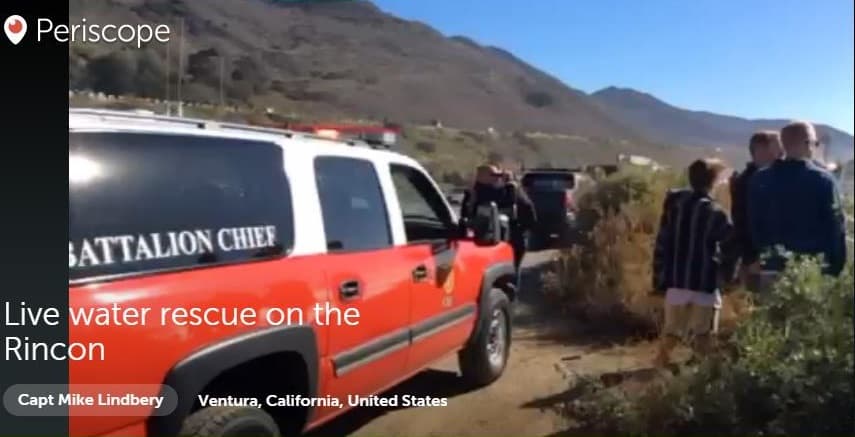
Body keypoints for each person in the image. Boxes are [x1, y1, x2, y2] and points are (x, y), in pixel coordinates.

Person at [652, 158, 737, 367]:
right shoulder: (716, 213)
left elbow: (662, 243)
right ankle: (700, 372)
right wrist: (727, 276)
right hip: (704, 280)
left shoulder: (674, 207)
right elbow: (730, 246)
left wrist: (658, 279)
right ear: (714, 181)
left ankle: (660, 363)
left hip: (677, 279)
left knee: (672, 330)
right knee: (703, 333)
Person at [748, 121, 847, 278]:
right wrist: (835, 267)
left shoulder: (760, 179)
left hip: (771, 267)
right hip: (811, 271)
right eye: (815, 143)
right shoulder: (823, 180)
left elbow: (754, 224)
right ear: (807, 143)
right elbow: (835, 226)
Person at [728, 131, 783, 283]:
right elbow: (741, 221)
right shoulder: (746, 182)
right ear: (761, 150)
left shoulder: (772, 179)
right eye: (777, 148)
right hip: (757, 259)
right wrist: (750, 257)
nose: (781, 154)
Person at [459, 165, 536, 271]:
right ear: (481, 177)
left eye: (498, 175)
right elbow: (466, 213)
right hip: (489, 238)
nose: (497, 177)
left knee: (508, 270)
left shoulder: (501, 190)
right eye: (493, 175)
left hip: (510, 237)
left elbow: (526, 208)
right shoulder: (482, 192)